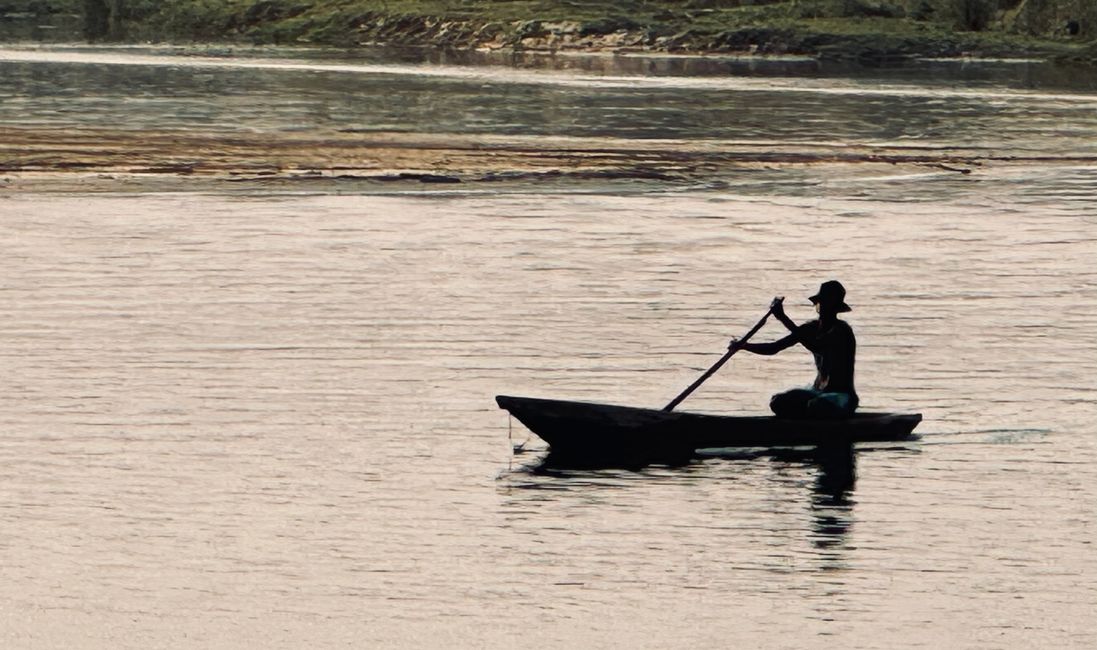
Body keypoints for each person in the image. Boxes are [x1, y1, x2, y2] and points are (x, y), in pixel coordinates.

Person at [731, 280, 859, 419]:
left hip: (842, 396)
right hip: (817, 392)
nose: (824, 308)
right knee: (778, 402)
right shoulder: (810, 328)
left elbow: (816, 346)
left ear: (835, 308)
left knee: (816, 406)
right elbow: (774, 348)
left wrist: (783, 318)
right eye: (822, 304)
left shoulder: (841, 331)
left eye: (829, 305)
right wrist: (743, 346)